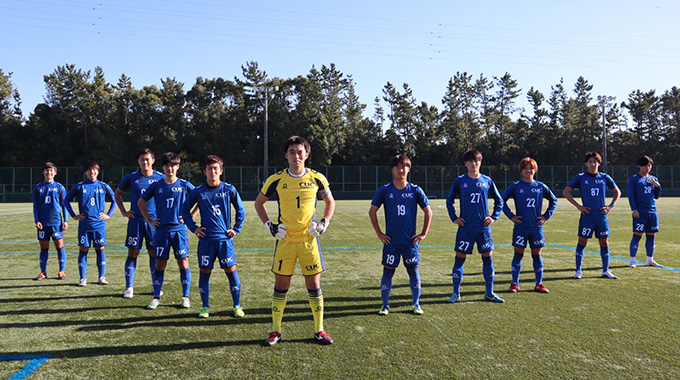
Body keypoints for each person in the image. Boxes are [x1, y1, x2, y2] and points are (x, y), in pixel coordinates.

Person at [254, 136, 336, 346]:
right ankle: (276, 331)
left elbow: (330, 202)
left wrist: (324, 223)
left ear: (306, 154)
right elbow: (259, 203)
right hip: (286, 242)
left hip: (309, 241)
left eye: (300, 152)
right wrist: (269, 226)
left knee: (314, 285)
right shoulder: (276, 179)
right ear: (286, 155)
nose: (296, 156)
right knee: (281, 286)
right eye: (292, 152)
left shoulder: (318, 178)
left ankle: (319, 330)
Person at [180, 155, 246, 319]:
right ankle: (205, 307)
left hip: (224, 240)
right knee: (205, 272)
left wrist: (236, 229)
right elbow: (184, 210)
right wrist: (194, 228)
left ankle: (237, 306)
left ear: (221, 171)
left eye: (216, 168)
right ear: (205, 172)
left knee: (231, 271)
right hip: (206, 241)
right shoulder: (198, 191)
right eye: (210, 168)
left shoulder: (229, 189)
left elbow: (241, 211)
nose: (213, 171)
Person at [369, 154, 432, 315]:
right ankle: (385, 305)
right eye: (397, 167)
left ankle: (416, 304)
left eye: (404, 166)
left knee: (413, 272)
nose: (401, 170)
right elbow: (372, 211)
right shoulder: (385, 190)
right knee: (388, 272)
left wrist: (423, 233)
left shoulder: (415, 190)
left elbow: (428, 211)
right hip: (391, 242)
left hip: (410, 242)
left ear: (409, 169)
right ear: (392, 170)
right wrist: (379, 233)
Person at [445, 149, 504, 303]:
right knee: (459, 259)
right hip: (465, 229)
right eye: (470, 161)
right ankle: (456, 293)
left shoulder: (487, 181)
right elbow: (449, 199)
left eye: (476, 160)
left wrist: (493, 217)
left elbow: (499, 201)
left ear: (480, 161)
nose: (474, 163)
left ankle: (489, 292)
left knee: (488, 259)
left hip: (483, 229)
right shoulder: (460, 181)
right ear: (465, 163)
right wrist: (454, 218)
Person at [138, 152, 196, 309]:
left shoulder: (184, 185)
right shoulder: (157, 185)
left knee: (183, 263)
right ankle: (156, 297)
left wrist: (190, 216)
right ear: (163, 167)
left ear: (177, 167)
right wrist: (149, 220)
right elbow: (141, 202)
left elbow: (200, 198)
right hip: (162, 231)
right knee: (160, 265)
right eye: (167, 166)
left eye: (173, 165)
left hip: (179, 230)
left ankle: (185, 296)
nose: (170, 168)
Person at [501, 157, 558, 294]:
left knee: (537, 255)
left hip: (536, 228)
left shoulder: (540, 186)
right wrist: (511, 216)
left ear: (535, 170)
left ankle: (539, 284)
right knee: (518, 255)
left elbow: (553, 200)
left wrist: (546, 216)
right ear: (521, 170)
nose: (528, 171)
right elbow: (501, 200)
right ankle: (515, 283)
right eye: (526, 168)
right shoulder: (516, 186)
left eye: (531, 168)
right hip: (520, 227)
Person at [563, 151, 621, 279]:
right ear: (586, 163)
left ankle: (605, 270)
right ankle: (578, 271)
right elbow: (566, 192)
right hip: (587, 216)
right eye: (590, 161)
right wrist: (579, 206)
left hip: (601, 216)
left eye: (595, 161)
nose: (593, 164)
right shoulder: (580, 177)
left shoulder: (605, 177)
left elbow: (617, 192)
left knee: (604, 242)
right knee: (582, 241)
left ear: (599, 163)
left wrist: (611, 206)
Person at [115, 148, 165, 299]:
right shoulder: (131, 177)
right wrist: (124, 212)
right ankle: (129, 287)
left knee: (154, 255)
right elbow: (117, 193)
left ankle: (155, 286)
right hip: (135, 222)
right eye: (142, 159)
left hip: (153, 223)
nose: (145, 162)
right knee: (132, 254)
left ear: (153, 161)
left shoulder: (160, 178)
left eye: (147, 159)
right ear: (138, 162)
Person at [65, 160, 116, 286]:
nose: (92, 172)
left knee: (100, 249)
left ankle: (101, 277)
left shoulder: (103, 186)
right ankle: (82, 278)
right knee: (83, 250)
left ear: (98, 171)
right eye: (89, 169)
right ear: (85, 172)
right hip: (84, 225)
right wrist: (74, 215)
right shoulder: (80, 186)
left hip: (99, 225)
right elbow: (66, 200)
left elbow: (115, 199)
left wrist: (108, 214)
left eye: (94, 169)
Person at [32, 162, 69, 280]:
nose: (49, 173)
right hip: (43, 223)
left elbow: (64, 205)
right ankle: (43, 272)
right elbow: (35, 206)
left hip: (56, 222)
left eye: (51, 170)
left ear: (55, 172)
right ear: (43, 172)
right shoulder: (38, 188)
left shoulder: (60, 187)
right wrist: (36, 220)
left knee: (59, 246)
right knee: (44, 247)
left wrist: (66, 220)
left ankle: (61, 271)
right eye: (46, 170)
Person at [627, 155, 661, 267]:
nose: (648, 167)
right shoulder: (634, 179)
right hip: (640, 212)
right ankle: (633, 260)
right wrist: (634, 209)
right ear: (640, 166)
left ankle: (650, 260)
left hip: (652, 212)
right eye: (646, 165)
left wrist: (657, 186)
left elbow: (657, 196)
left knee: (651, 236)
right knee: (637, 235)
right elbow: (631, 196)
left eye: (650, 165)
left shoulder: (653, 179)